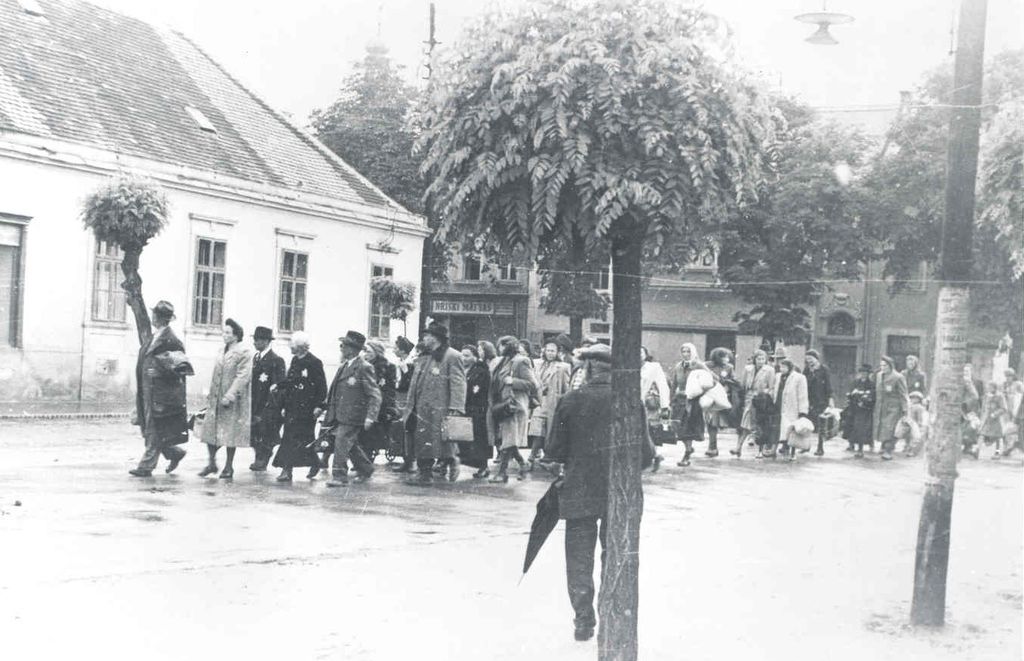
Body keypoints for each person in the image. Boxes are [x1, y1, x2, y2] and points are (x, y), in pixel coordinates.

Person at [544, 342, 655, 643]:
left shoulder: (571, 400)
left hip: (579, 488)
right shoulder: (632, 401)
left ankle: (583, 620)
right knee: (616, 553)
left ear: (590, 367)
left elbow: (553, 450)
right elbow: (645, 454)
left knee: (579, 557)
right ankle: (611, 614)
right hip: (620, 493)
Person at [129, 301, 193, 477]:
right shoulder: (155, 336)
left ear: (158, 317)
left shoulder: (171, 340)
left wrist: (157, 371)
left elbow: (181, 368)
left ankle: (146, 466)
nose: (152, 317)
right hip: (148, 390)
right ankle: (174, 453)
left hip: (160, 393)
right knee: (148, 425)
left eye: (154, 315)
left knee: (153, 427)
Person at [403, 322, 466, 484]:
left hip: (439, 407)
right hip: (420, 406)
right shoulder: (425, 356)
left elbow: (458, 383)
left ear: (436, 338)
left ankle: (452, 461)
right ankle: (425, 474)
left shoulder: (453, 356)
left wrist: (456, 408)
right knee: (423, 440)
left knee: (442, 440)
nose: (424, 338)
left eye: (427, 335)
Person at [322, 331, 381, 487]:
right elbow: (334, 390)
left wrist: (371, 416)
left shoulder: (363, 367)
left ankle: (339, 475)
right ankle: (366, 468)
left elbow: (375, 394)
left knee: (342, 440)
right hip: (341, 413)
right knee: (349, 443)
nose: (341, 348)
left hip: (354, 414)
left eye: (344, 346)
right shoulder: (344, 366)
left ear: (353, 349)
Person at [198, 319, 253, 480]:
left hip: (232, 400)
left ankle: (229, 466)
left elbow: (243, 376)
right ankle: (212, 463)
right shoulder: (221, 350)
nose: (225, 335)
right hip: (216, 398)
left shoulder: (243, 352)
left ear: (236, 335)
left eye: (228, 333)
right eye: (224, 332)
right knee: (210, 431)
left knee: (230, 434)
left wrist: (230, 395)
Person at [272, 332, 328, 482]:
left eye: (292, 344)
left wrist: (320, 406)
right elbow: (290, 382)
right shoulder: (295, 361)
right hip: (292, 407)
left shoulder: (314, 362)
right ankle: (292, 468)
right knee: (290, 438)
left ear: (300, 346)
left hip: (308, 409)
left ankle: (300, 466)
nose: (290, 346)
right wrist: (278, 386)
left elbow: (322, 387)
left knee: (303, 438)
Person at [487, 335, 538, 482]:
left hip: (513, 405)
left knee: (508, 438)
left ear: (509, 346)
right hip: (500, 404)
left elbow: (532, 384)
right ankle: (523, 463)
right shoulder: (501, 361)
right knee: (507, 438)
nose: (499, 349)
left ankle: (502, 473)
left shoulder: (521, 361)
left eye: (502, 346)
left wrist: (513, 381)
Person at [528, 341, 571, 467]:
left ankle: (548, 456)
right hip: (539, 401)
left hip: (553, 401)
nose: (550, 353)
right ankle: (532, 455)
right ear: (544, 351)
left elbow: (566, 387)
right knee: (537, 428)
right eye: (548, 350)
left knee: (550, 430)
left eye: (553, 351)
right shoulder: (537, 364)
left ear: (558, 352)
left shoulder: (563, 366)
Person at [249, 326, 286, 472]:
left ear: (265, 341)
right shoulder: (256, 358)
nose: (254, 343)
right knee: (254, 432)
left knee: (266, 432)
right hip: (255, 402)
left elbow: (280, 384)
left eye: (257, 340)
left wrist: (273, 404)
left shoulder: (276, 360)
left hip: (267, 404)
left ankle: (263, 458)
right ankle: (260, 456)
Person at [669, 342, 710, 466]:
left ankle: (686, 454)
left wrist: (701, 391)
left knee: (688, 428)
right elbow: (674, 384)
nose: (686, 354)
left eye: (688, 351)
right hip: (680, 400)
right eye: (683, 351)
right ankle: (688, 448)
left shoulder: (699, 365)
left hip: (693, 401)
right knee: (679, 428)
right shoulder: (678, 366)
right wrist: (671, 400)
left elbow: (712, 379)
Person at [359, 339, 398, 459]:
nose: (366, 355)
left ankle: (368, 455)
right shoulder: (362, 365)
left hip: (380, 404)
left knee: (373, 431)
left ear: (377, 352)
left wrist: (385, 406)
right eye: (365, 352)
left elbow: (390, 389)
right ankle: (363, 457)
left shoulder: (388, 367)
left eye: (369, 352)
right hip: (363, 403)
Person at [734, 349, 775, 458]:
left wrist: (765, 396)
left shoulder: (769, 370)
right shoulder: (748, 369)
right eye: (758, 359)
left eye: (763, 359)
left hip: (762, 400)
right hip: (749, 398)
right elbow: (743, 385)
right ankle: (738, 447)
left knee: (760, 424)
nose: (760, 361)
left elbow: (771, 387)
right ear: (754, 359)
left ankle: (759, 450)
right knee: (745, 423)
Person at [462, 344, 493, 478]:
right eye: (462, 355)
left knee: (479, 438)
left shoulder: (480, 370)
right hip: (467, 408)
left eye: (467, 355)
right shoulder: (463, 369)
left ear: (475, 357)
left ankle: (483, 466)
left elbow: (476, 390)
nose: (464, 358)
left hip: (477, 409)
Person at [769, 359, 809, 461]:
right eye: (781, 367)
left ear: (790, 367)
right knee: (777, 429)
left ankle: (792, 452)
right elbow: (774, 389)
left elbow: (802, 395)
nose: (782, 369)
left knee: (792, 431)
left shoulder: (799, 378)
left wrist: (803, 411)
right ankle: (774, 450)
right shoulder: (778, 376)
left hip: (792, 408)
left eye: (784, 367)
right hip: (779, 406)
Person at [704, 347, 740, 458]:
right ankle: (712, 446)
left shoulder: (729, 367)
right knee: (710, 422)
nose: (726, 359)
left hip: (722, 397)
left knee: (714, 422)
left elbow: (735, 380)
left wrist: (727, 382)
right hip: (709, 395)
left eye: (727, 357)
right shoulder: (708, 365)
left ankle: (713, 447)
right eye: (723, 357)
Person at [640, 346, 671, 470]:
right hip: (632, 404)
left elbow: (663, 387)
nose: (638, 355)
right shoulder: (628, 366)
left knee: (650, 430)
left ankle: (654, 454)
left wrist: (665, 408)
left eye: (641, 352)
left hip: (648, 404)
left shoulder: (653, 368)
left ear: (646, 354)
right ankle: (654, 455)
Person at [873, 356, 909, 461]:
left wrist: (905, 409)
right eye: (881, 365)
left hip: (894, 407)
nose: (883, 368)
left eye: (885, 365)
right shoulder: (879, 376)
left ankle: (888, 450)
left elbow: (903, 394)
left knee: (891, 429)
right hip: (881, 406)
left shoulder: (898, 377)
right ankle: (883, 446)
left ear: (890, 366)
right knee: (882, 428)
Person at [392, 335, 419, 473]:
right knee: (403, 430)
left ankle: (411, 460)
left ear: (403, 350)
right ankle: (406, 459)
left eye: (396, 348)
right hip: (400, 398)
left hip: (407, 399)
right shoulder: (401, 362)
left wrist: (405, 371)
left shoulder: (409, 364)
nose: (393, 350)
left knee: (409, 429)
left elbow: (410, 384)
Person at [804, 350, 835, 457]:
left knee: (821, 424)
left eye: (811, 359)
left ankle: (820, 447)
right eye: (807, 359)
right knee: (807, 423)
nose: (809, 361)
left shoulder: (824, 369)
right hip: (809, 400)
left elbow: (828, 385)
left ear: (816, 358)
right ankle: (805, 446)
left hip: (821, 400)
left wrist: (830, 398)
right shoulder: (807, 370)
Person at [845, 364, 876, 458]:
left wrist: (865, 400)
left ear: (868, 374)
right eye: (862, 373)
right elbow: (850, 393)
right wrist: (851, 395)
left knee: (861, 428)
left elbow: (872, 396)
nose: (863, 375)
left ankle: (861, 448)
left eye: (865, 373)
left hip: (865, 410)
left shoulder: (871, 384)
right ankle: (851, 443)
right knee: (850, 425)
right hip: (854, 408)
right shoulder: (855, 382)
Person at [960, 363, 984, 458]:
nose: (965, 373)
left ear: (971, 372)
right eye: (964, 371)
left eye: (967, 371)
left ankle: (970, 447)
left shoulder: (977, 382)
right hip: (962, 407)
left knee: (972, 426)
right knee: (963, 426)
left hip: (973, 407)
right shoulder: (960, 381)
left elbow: (979, 396)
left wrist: (980, 409)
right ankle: (966, 446)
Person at [979, 381, 1007, 459]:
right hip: (987, 420)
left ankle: (997, 452)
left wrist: (995, 414)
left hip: (996, 420)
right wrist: (982, 416)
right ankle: (977, 451)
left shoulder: (1000, 396)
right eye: (988, 387)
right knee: (982, 434)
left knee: (997, 437)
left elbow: (1004, 408)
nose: (989, 389)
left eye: (991, 387)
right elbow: (983, 408)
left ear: (995, 388)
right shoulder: (986, 396)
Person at [904, 391, 929, 457]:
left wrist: (919, 424)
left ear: (919, 399)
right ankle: (907, 448)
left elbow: (920, 417)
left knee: (915, 438)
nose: (913, 400)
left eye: (916, 398)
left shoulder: (919, 408)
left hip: (915, 424)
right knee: (908, 437)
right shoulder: (910, 406)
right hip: (910, 423)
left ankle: (913, 451)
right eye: (912, 398)